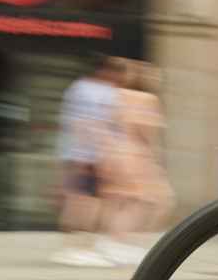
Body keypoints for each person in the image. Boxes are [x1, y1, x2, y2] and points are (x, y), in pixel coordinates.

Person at [50, 55, 130, 268]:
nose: (122, 79)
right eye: (119, 73)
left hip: (84, 154)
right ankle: (76, 249)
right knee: (84, 203)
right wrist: (94, 156)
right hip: (88, 155)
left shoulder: (80, 88)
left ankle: (79, 248)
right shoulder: (95, 92)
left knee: (83, 201)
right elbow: (87, 124)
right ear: (107, 71)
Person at [97, 60, 174, 266]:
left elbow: (106, 123)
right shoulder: (148, 99)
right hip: (137, 154)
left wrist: (108, 151)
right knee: (156, 201)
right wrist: (157, 158)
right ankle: (122, 244)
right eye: (156, 76)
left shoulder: (119, 95)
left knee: (121, 202)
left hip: (116, 152)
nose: (158, 79)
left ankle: (115, 244)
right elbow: (147, 132)